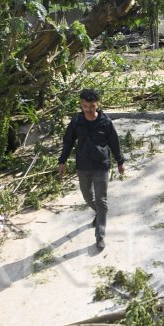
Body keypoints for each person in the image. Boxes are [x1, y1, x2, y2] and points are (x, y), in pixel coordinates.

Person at [58, 88, 125, 250]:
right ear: (81, 105)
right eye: (85, 106)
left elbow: (114, 143)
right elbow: (68, 142)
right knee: (87, 195)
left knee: (102, 200)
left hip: (101, 165)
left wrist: (120, 161)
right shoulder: (76, 122)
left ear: (98, 104)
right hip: (83, 165)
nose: (88, 109)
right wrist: (62, 161)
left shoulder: (105, 122)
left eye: (92, 106)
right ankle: (99, 212)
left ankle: (100, 235)